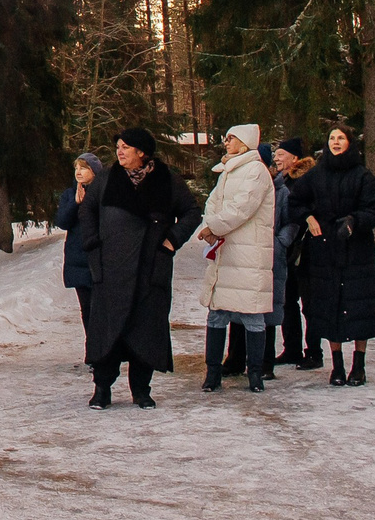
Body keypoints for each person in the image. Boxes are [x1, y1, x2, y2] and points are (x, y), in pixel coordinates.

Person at [77, 127, 199, 408]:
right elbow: (86, 210)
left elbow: (192, 212)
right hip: (111, 268)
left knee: (146, 329)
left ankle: (141, 390)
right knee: (107, 331)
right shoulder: (107, 179)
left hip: (150, 267)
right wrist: (93, 243)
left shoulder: (167, 180)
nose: (119, 151)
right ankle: (102, 390)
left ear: (142, 152)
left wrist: (172, 240)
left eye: (126, 147)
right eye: (118, 146)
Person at [293, 125, 375, 385]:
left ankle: (359, 365)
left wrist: (354, 221)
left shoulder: (363, 176)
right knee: (330, 305)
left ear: (350, 143)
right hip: (325, 250)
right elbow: (295, 201)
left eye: (340, 138)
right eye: (331, 138)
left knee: (358, 306)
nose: (335, 142)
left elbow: (373, 210)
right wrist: (308, 218)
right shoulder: (316, 174)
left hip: (357, 251)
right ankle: (337, 366)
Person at [196, 126, 277, 394]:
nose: (226, 142)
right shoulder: (228, 170)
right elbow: (213, 202)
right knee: (217, 313)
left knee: (252, 313)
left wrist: (214, 227)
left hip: (249, 253)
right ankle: (213, 372)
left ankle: (255, 373)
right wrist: (211, 223)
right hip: (226, 250)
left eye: (231, 138)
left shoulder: (256, 171)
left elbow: (243, 207)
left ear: (245, 143)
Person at [53, 152, 103, 365]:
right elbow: (62, 222)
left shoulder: (103, 193)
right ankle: (92, 351)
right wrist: (75, 203)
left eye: (84, 168)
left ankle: (103, 349)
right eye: (77, 168)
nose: (79, 172)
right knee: (87, 309)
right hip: (77, 258)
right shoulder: (69, 194)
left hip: (100, 258)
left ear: (95, 172)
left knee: (101, 307)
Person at [272, 137, 312, 367]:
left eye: (281, 154)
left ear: (295, 158)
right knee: (287, 300)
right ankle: (292, 349)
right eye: (276, 154)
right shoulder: (281, 180)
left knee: (307, 301)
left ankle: (313, 351)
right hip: (287, 249)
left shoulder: (304, 180)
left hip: (304, 248)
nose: (276, 158)